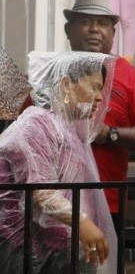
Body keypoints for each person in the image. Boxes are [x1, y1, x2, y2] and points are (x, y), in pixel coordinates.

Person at [0, 51, 117, 274]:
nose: (101, 97)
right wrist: (82, 223)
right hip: (24, 254)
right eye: (93, 86)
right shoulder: (36, 123)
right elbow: (40, 192)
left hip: (57, 253)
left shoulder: (69, 133)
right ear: (65, 84)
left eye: (101, 88)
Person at [63, 0, 135, 228]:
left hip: (105, 203)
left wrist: (109, 134)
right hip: (47, 201)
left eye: (103, 23)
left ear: (113, 33)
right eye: (85, 22)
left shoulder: (133, 79)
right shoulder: (49, 73)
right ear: (68, 30)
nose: (94, 29)